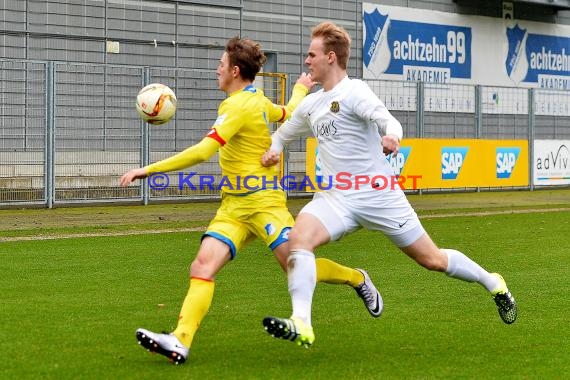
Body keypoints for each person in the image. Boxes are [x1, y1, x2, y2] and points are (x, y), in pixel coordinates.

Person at [120, 36, 383, 365]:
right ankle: (180, 340)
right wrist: (301, 87)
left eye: (220, 65)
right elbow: (285, 111)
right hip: (233, 208)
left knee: (295, 266)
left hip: (264, 204)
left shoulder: (237, 106)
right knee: (202, 266)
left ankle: (357, 278)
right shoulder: (254, 99)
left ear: (233, 70)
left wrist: (148, 169)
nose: (216, 70)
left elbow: (204, 151)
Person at [260, 22, 518, 348]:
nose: (306, 61)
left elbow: (387, 119)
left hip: (379, 196)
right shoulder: (312, 104)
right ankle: (301, 322)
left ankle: (492, 281)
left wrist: (392, 136)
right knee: (299, 239)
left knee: (432, 260)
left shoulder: (355, 92)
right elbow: (284, 132)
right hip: (336, 197)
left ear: (330, 57)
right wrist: (273, 149)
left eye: (311, 55)